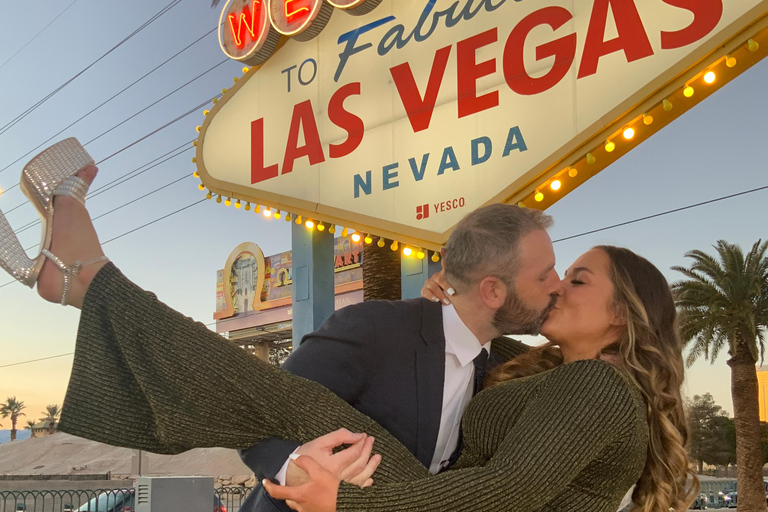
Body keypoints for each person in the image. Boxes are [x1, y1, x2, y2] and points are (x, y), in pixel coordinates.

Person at [0, 160, 698, 511]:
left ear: (622, 317)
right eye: (553, 274)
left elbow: (507, 486)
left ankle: (87, 280)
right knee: (292, 407)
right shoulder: (514, 360)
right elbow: (474, 339)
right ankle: (88, 281)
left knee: (298, 407)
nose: (554, 287)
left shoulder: (593, 385)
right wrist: (302, 472)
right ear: (493, 290)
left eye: (575, 280)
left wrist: (345, 499)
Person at [238, 197, 561, 512]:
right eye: (545, 275)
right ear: (492, 291)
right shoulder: (372, 327)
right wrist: (293, 468)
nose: (557, 285)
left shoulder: (498, 364)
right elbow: (254, 411)